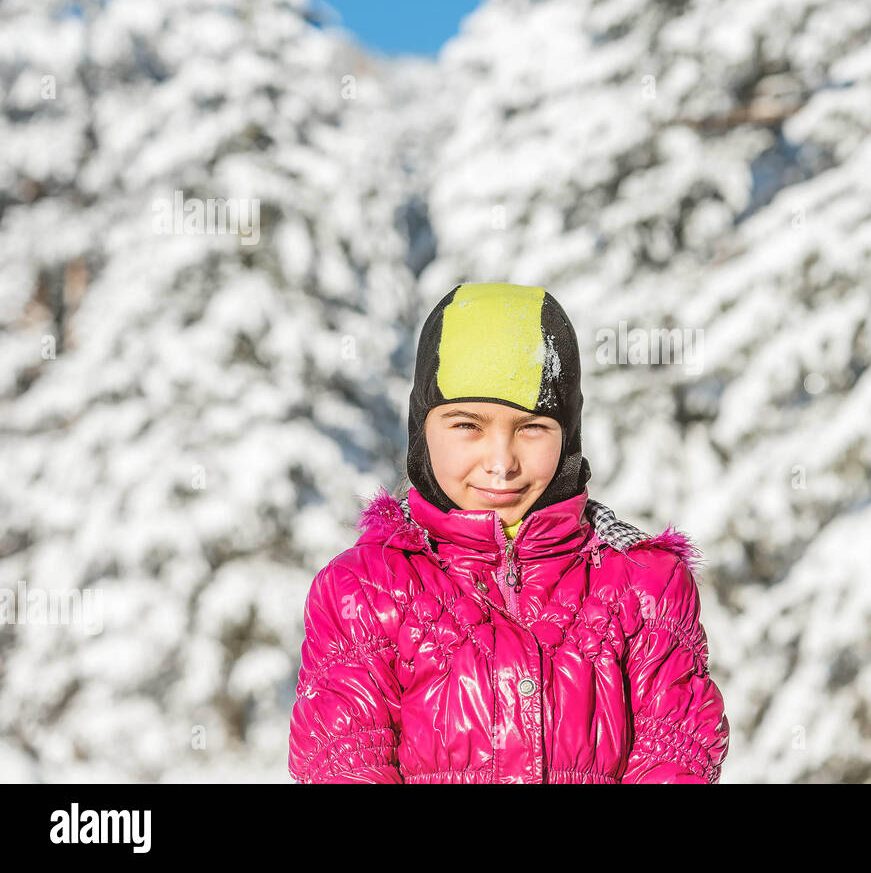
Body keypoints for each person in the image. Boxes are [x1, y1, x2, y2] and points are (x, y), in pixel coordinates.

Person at [287, 282, 730, 783]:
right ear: (421, 429)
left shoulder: (645, 587)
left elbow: (676, 748)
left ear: (568, 436)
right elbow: (342, 760)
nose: (501, 463)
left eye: (532, 427)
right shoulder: (367, 591)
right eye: (467, 426)